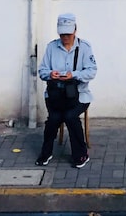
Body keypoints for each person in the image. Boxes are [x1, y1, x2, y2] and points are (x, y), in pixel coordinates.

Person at [36, 12, 97, 169]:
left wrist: (74, 75)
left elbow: (92, 71)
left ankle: (81, 154)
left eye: (68, 34)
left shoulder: (85, 47)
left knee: (70, 117)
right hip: (56, 95)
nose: (65, 37)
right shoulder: (51, 47)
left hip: (79, 95)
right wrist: (51, 74)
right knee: (54, 119)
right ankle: (46, 153)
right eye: (62, 34)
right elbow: (42, 71)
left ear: (75, 30)